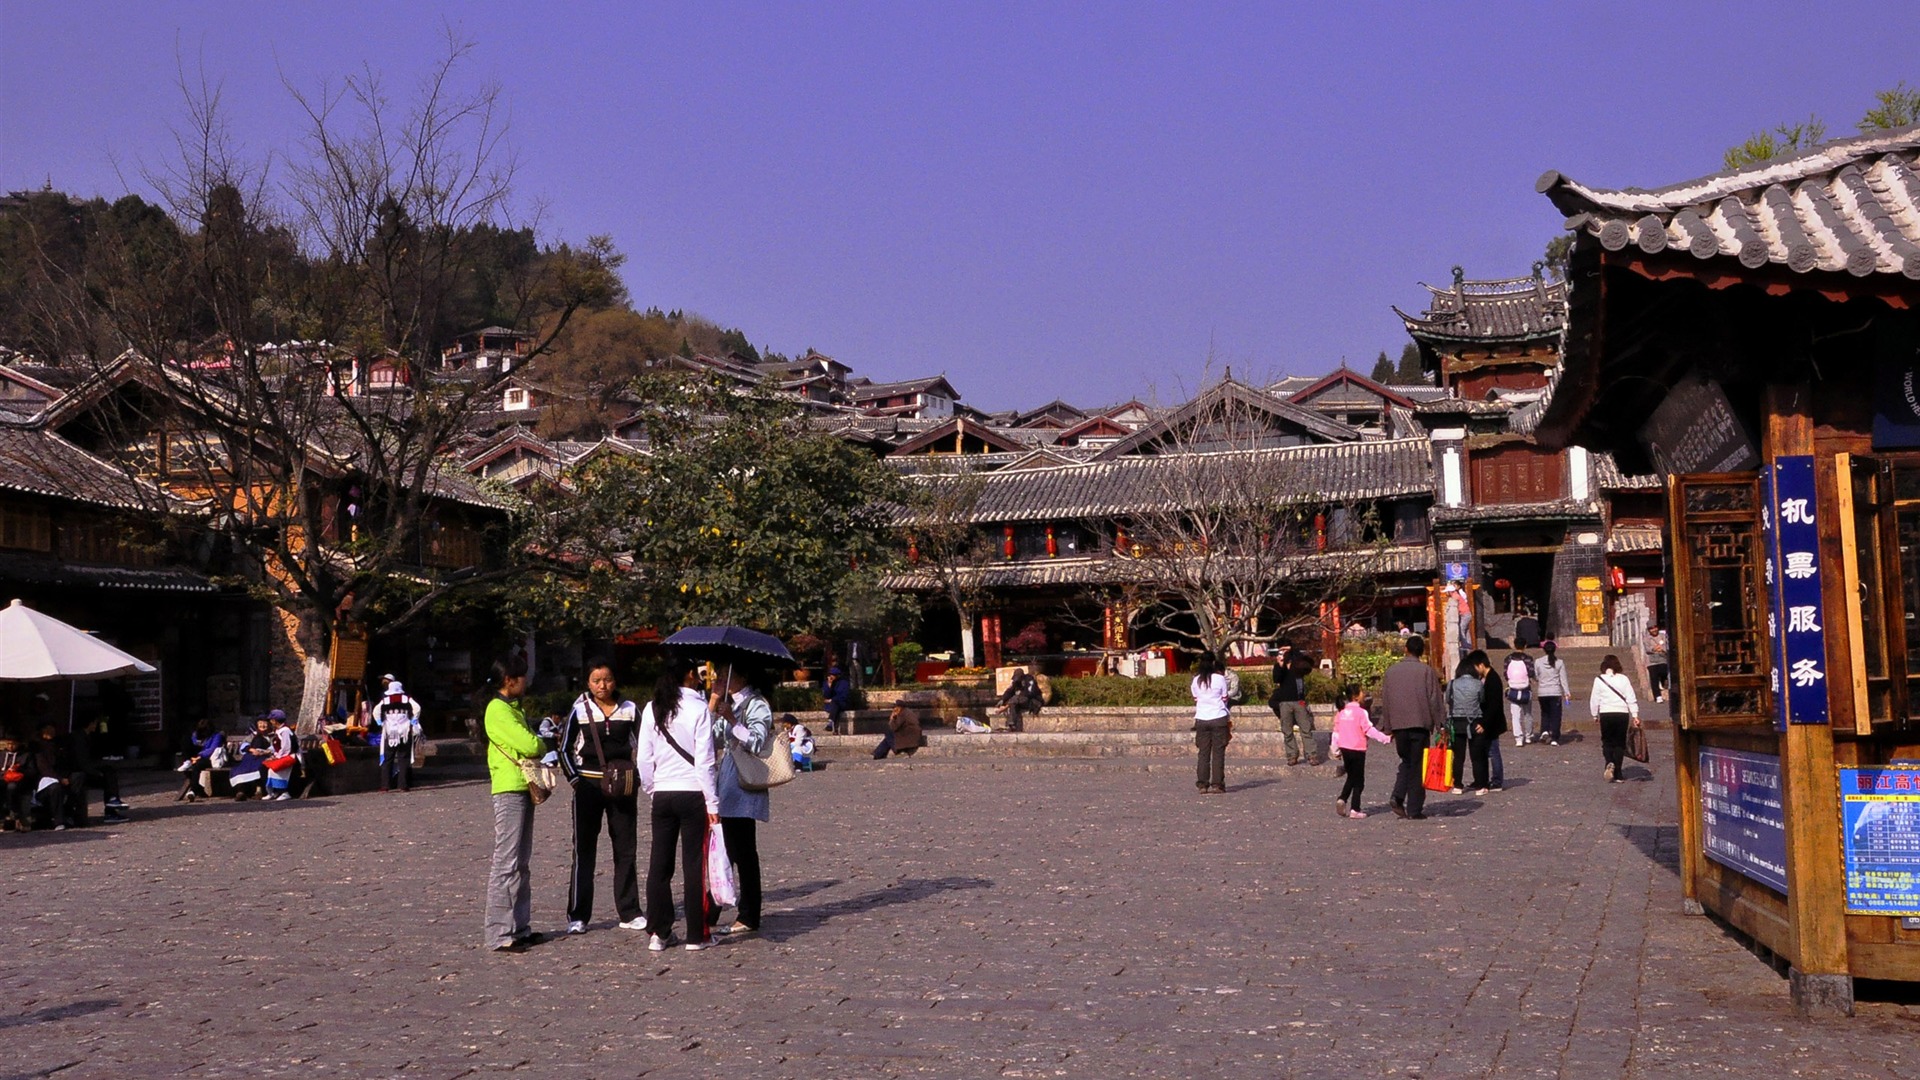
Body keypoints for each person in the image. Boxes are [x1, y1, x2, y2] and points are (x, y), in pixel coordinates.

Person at [559, 659, 646, 937]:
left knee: (626, 850)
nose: (602, 685)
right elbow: (563, 750)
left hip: (622, 789)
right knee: (584, 852)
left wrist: (639, 778)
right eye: (596, 680)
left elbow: (645, 748)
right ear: (588, 683)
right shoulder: (579, 711)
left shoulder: (631, 710)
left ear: (615, 681)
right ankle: (578, 915)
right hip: (588, 788)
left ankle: (630, 911)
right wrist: (575, 781)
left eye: (607, 679)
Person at [638, 658, 719, 952]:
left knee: (659, 865)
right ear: (688, 674)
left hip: (663, 793)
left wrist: (652, 788)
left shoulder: (651, 708)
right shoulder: (699, 709)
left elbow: (644, 758)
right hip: (693, 793)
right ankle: (696, 934)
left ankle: (659, 932)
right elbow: (706, 762)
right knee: (694, 865)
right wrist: (712, 801)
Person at [482, 654, 547, 953]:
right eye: (522, 677)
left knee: (522, 863)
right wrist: (541, 742)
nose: (526, 682)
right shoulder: (498, 710)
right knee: (505, 863)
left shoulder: (513, 708)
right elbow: (531, 744)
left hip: (523, 786)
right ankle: (498, 933)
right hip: (508, 788)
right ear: (510, 680)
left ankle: (520, 927)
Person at [708, 664, 775, 938]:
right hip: (726, 782)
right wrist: (714, 705)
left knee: (743, 851)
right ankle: (712, 907)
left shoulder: (756, 704)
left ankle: (749, 913)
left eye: (726, 676)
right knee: (724, 847)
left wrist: (734, 722)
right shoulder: (729, 704)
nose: (720, 680)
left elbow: (758, 742)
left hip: (744, 783)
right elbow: (709, 738)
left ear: (743, 676)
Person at [1378, 636, 1445, 820]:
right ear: (1421, 651)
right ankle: (1414, 809)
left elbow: (1386, 700)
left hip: (1399, 725)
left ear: (1406, 649)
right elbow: (1434, 700)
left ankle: (1398, 796)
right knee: (1417, 766)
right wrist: (1441, 724)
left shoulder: (1391, 672)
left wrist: (1387, 726)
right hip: (1420, 725)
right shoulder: (1426, 671)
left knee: (1406, 761)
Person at [1332, 685, 1390, 818]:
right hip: (1357, 748)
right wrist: (1384, 738)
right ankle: (1355, 808)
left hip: (1345, 748)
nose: (1364, 694)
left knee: (1351, 776)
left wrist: (1335, 749)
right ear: (1356, 696)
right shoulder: (1361, 712)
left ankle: (1342, 799)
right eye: (1362, 692)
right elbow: (1369, 730)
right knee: (1359, 780)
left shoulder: (1341, 712)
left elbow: (1336, 732)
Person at [1589, 655, 1639, 783]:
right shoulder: (1624, 679)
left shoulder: (1599, 679)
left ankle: (1609, 762)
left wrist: (1594, 714)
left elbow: (1595, 699)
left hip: (1606, 713)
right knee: (1619, 743)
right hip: (1621, 713)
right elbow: (1630, 697)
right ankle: (1618, 773)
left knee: (1607, 741)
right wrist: (1635, 715)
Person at [1467, 651, 1508, 795]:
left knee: (1493, 752)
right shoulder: (1487, 678)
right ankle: (1483, 779)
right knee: (1486, 751)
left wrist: (1484, 723)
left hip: (1493, 723)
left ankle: (1497, 780)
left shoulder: (1493, 679)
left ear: (1481, 665)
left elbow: (1493, 706)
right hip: (1489, 721)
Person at [1191, 651, 1232, 795]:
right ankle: (1217, 784)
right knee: (1218, 752)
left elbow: (1196, 699)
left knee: (1203, 753)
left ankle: (1202, 784)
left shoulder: (1196, 680)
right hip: (1218, 717)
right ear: (1214, 663)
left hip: (1202, 719)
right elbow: (1225, 697)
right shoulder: (1220, 679)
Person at [1268, 650, 1316, 766]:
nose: (1282, 655)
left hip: (1299, 701)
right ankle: (1292, 755)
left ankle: (1312, 755)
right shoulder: (1279, 667)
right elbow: (1276, 679)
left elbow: (1308, 666)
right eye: (1280, 654)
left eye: (1284, 653)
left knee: (1306, 729)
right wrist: (1280, 665)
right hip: (1284, 702)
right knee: (1287, 731)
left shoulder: (1298, 665)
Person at [377, 680, 423, 793]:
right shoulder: (407, 699)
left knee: (388, 760)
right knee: (404, 759)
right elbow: (417, 708)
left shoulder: (385, 700)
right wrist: (414, 720)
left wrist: (379, 721)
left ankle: (385, 786)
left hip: (390, 732)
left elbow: (375, 711)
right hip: (404, 732)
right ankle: (403, 785)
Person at [1444, 657, 1481, 795]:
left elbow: (1447, 699)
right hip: (1474, 720)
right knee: (1476, 755)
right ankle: (1479, 784)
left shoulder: (1452, 683)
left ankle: (1458, 785)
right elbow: (1481, 699)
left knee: (1458, 756)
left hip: (1456, 721)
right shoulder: (1478, 684)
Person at [176, 720, 224, 802]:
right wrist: (192, 757)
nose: (203, 734)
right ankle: (188, 761)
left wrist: (199, 756)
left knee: (197, 766)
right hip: (196, 756)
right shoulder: (196, 735)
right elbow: (192, 743)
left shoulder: (217, 736)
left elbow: (212, 749)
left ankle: (193, 790)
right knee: (185, 740)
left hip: (209, 758)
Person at [1533, 641, 1569, 746]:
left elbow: (1536, 676)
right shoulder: (1559, 662)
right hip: (1555, 692)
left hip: (1542, 692)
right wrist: (1566, 692)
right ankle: (1554, 737)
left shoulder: (1538, 662)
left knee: (1545, 713)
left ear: (1544, 650)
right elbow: (1563, 679)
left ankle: (1544, 730)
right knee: (1556, 715)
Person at [230, 717, 273, 801]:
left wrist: (264, 752)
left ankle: (259, 790)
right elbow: (244, 746)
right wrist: (251, 749)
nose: (262, 725)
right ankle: (241, 791)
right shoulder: (252, 736)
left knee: (260, 767)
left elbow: (274, 747)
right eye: (260, 723)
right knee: (240, 769)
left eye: (264, 723)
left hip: (264, 756)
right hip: (250, 756)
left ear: (268, 724)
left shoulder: (272, 736)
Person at [264, 711, 298, 801]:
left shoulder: (285, 731)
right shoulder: (278, 730)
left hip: (290, 756)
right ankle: (273, 792)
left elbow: (286, 747)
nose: (270, 722)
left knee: (275, 769)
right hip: (282, 755)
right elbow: (277, 746)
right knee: (268, 768)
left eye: (271, 720)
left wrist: (278, 757)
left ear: (275, 721)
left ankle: (284, 792)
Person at [1504, 649, 1535, 747]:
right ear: (1525, 646)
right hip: (1526, 689)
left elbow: (1505, 674)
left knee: (1515, 715)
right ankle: (1528, 736)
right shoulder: (1528, 659)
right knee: (1527, 713)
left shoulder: (1508, 659)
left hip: (1513, 690)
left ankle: (1518, 738)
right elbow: (1531, 673)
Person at [998, 667, 1042, 733]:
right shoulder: (1016, 683)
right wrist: (1003, 699)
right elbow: (1009, 691)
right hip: (1019, 701)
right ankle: (1012, 724)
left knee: (1015, 699)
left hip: (1031, 701)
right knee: (1013, 703)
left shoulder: (1029, 680)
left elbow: (1031, 693)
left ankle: (1011, 721)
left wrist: (1019, 696)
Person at [821, 667, 851, 734]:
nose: (831, 676)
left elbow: (844, 695)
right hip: (830, 705)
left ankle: (831, 723)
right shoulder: (827, 683)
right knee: (835, 708)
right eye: (830, 675)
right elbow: (826, 696)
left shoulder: (844, 683)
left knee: (835, 704)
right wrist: (829, 685)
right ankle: (834, 728)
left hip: (841, 703)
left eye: (833, 675)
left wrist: (832, 700)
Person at [1645, 626, 1670, 704]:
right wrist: (1654, 649)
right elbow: (1647, 649)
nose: (1654, 630)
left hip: (1663, 659)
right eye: (1651, 629)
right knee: (1654, 678)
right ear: (1649, 630)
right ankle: (1657, 696)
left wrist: (1661, 649)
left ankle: (1663, 682)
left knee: (1664, 671)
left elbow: (1667, 645)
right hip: (1651, 661)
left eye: (1655, 628)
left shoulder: (1663, 636)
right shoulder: (1647, 638)